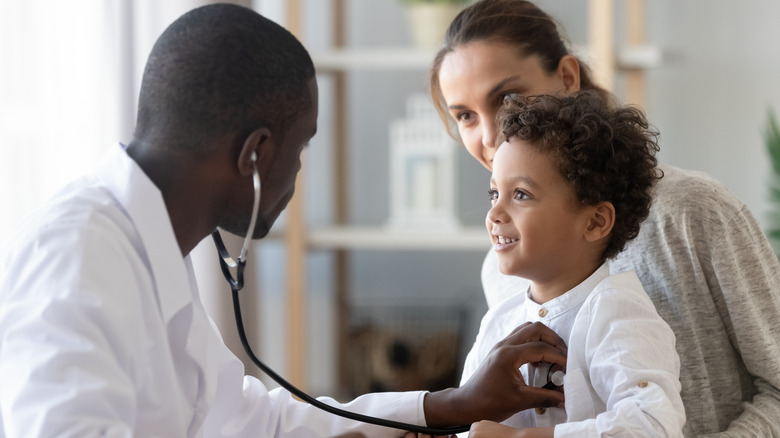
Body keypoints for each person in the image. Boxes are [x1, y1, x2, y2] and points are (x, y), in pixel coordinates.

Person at [0, 4, 569, 437]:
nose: (296, 177)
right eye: (300, 150)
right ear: (255, 156)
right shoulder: (73, 255)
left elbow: (257, 421)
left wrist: (456, 404)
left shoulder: (147, 250)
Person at [428, 0, 780, 436]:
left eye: (508, 97)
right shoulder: (504, 270)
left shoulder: (693, 212)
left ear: (568, 78)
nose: (489, 135)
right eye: (464, 115)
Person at [478, 91, 683, 436]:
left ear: (594, 222)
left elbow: (654, 426)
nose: (495, 213)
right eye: (494, 193)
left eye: (521, 195)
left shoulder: (618, 313)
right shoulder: (499, 322)